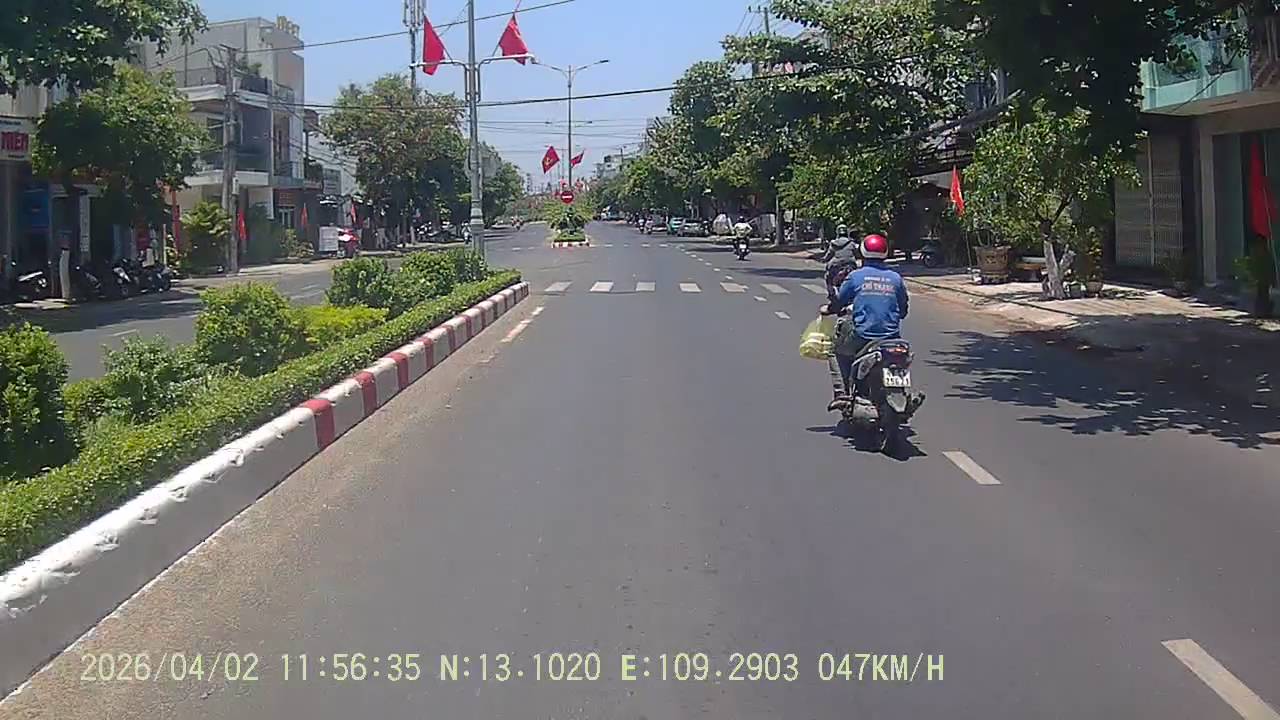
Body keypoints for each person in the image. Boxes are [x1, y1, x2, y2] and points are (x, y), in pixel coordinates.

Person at [824, 233, 909, 411]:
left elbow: (839, 301)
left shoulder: (855, 277)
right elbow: (903, 310)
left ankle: (842, 394)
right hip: (892, 338)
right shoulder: (896, 278)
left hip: (863, 336)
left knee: (834, 350)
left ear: (862, 253)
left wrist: (831, 308)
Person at [822, 223, 860, 303]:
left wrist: (824, 259)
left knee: (828, 277)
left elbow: (829, 255)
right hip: (850, 265)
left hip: (836, 265)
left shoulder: (833, 243)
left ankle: (831, 293)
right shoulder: (851, 243)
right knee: (856, 277)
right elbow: (857, 254)